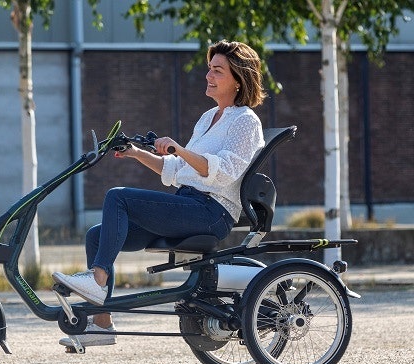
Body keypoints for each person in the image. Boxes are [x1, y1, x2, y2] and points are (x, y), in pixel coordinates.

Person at [52, 39, 267, 347]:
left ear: (238, 79)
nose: (209, 76)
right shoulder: (209, 118)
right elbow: (176, 169)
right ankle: (102, 326)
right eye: (210, 69)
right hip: (188, 204)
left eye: (218, 71)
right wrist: (135, 153)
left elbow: (223, 171)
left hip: (211, 212)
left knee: (118, 196)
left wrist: (179, 148)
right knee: (96, 237)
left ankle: (97, 282)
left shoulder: (246, 121)